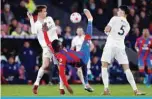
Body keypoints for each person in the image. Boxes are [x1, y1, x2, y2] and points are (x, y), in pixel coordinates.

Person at [43, 9, 93, 95]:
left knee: (84, 66)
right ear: (59, 48)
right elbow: (62, 73)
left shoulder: (52, 47)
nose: (62, 45)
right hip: (81, 58)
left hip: (79, 53)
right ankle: (90, 20)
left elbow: (47, 41)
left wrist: (44, 31)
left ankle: (86, 84)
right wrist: (67, 86)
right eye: (60, 45)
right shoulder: (61, 58)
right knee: (87, 37)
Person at [101, 5, 145, 95]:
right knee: (126, 68)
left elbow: (107, 29)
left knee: (104, 65)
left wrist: (106, 30)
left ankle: (106, 89)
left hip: (110, 45)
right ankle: (135, 90)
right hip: (120, 47)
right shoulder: (128, 25)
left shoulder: (114, 18)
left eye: (119, 10)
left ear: (123, 12)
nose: (117, 12)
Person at [27, 5, 58, 94]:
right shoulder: (36, 24)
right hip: (46, 47)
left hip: (55, 45)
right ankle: (36, 84)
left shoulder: (49, 19)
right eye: (44, 11)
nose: (46, 12)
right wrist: (31, 19)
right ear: (40, 13)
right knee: (45, 65)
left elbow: (53, 28)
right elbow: (33, 32)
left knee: (60, 64)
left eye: (46, 11)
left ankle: (62, 85)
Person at [71, 25, 94, 91]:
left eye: (81, 31)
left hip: (85, 57)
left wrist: (87, 52)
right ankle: (85, 84)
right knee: (79, 70)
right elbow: (72, 48)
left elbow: (92, 46)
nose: (80, 32)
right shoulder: (74, 39)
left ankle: (87, 84)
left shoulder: (86, 38)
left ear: (83, 31)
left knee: (86, 71)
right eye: (78, 31)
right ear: (76, 32)